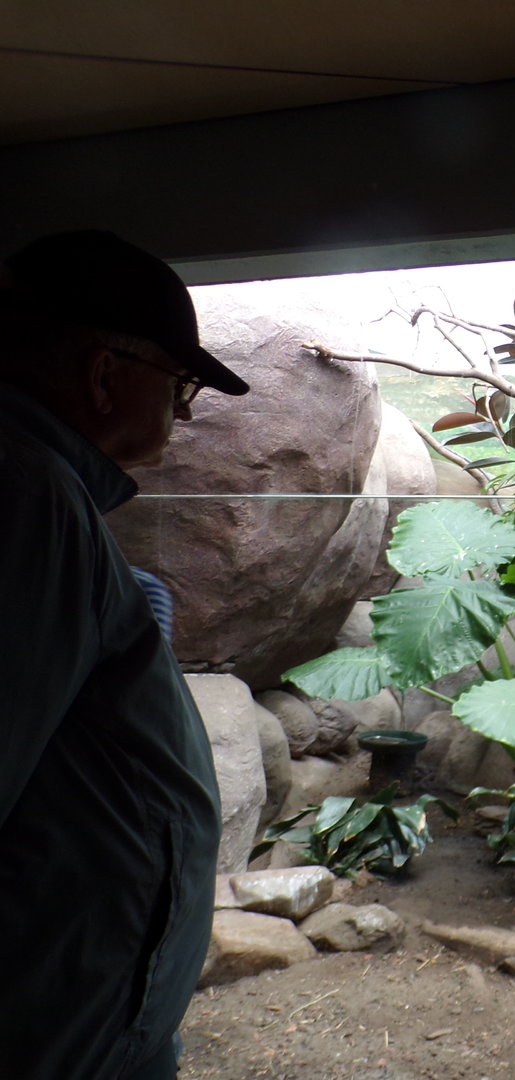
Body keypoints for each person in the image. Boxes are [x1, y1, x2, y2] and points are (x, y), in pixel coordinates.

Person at [0, 231, 250, 1079]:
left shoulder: (43, 489)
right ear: (105, 375)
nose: (183, 414)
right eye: (179, 386)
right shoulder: (28, 495)